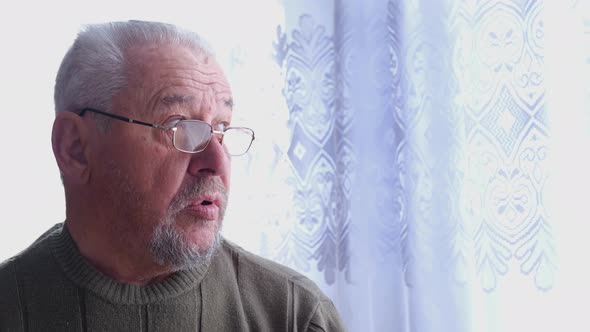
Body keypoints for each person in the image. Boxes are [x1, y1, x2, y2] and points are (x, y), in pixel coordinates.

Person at [0, 20, 345, 331]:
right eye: (179, 126)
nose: (216, 160)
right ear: (75, 148)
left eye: (222, 128)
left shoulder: (294, 317)